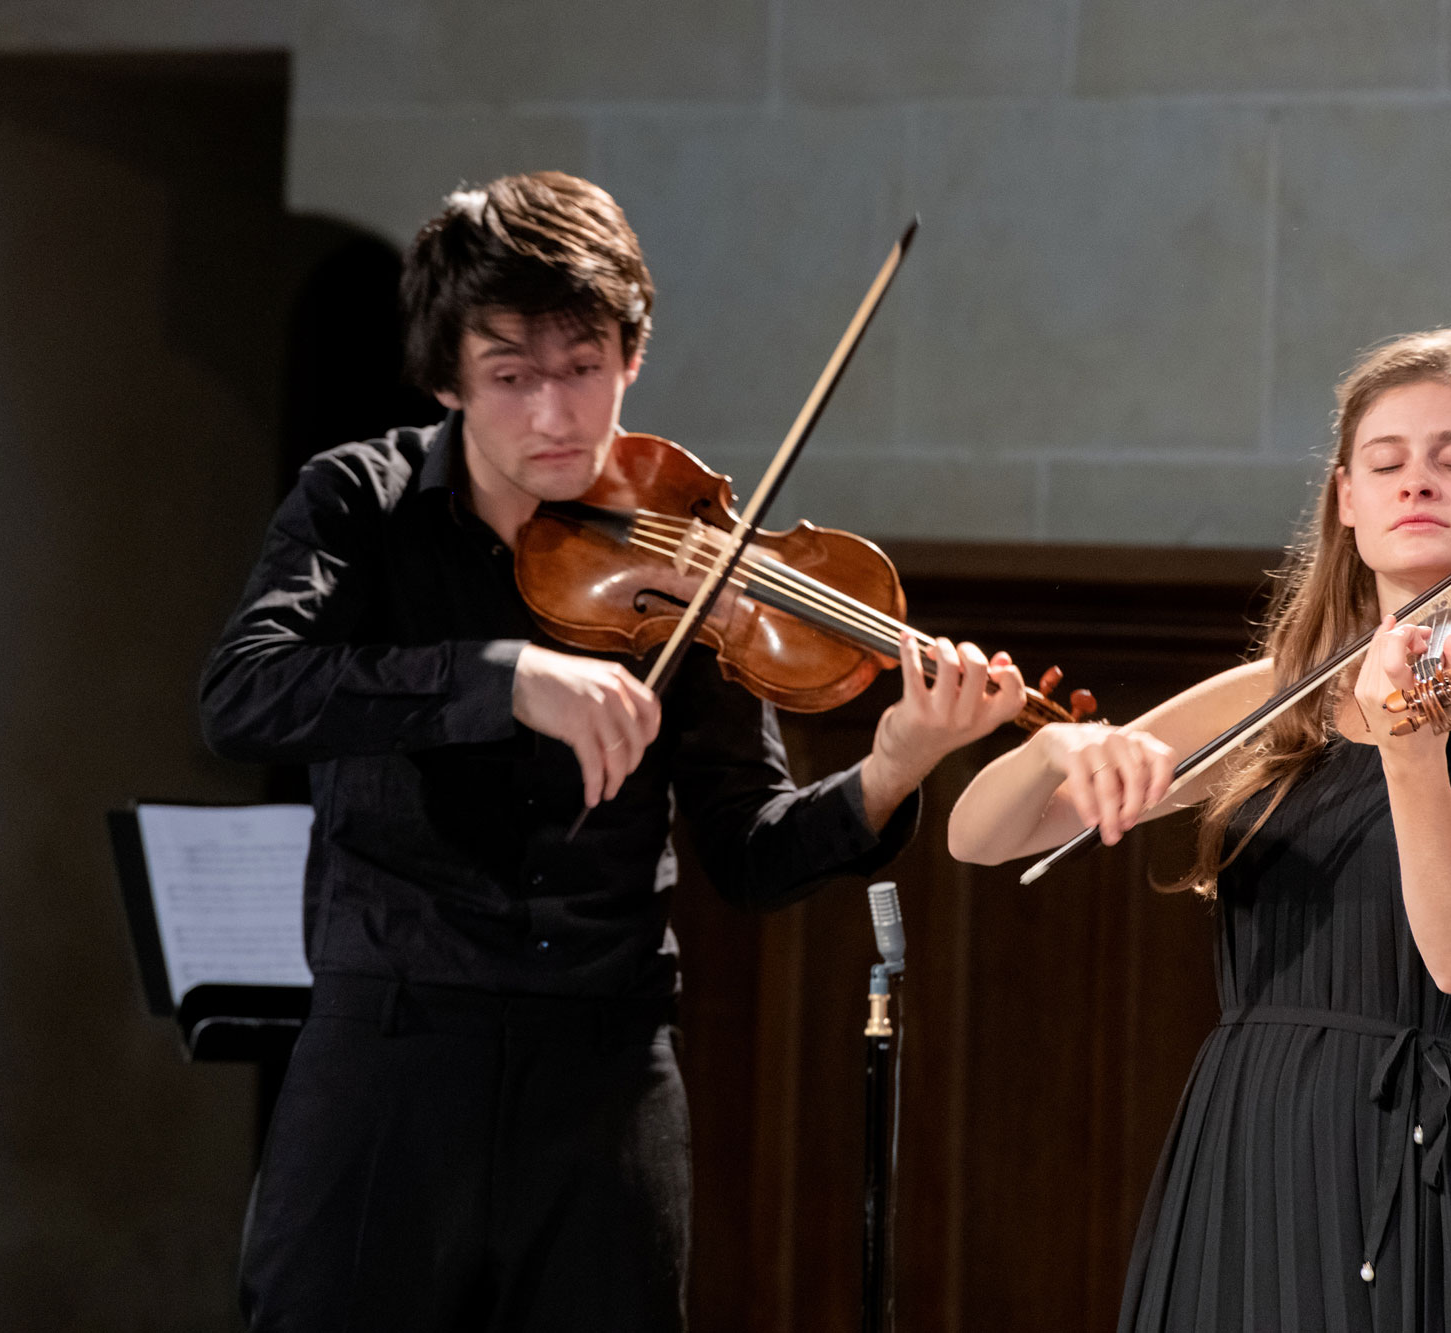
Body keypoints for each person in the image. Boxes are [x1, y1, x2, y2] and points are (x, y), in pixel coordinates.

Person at [201, 170, 1027, 1332]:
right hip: (391, 1052)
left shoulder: (687, 550)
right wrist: (506, 675)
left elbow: (748, 847)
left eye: (583, 368)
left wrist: (893, 765)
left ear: (630, 357)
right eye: (511, 377)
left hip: (605, 1065)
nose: (555, 415)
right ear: (448, 380)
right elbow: (245, 694)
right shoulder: (358, 503)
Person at [947, 328, 1451, 1331]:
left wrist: (1411, 752)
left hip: (1423, 1139)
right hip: (1250, 1125)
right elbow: (976, 837)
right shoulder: (1282, 694)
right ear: (1345, 501)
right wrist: (1060, 750)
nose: (1415, 483)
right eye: (1384, 464)